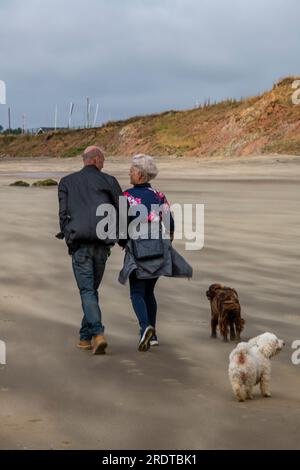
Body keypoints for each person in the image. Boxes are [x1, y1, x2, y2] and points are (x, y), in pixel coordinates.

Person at [119, 154, 193, 352]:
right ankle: (153, 336)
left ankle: (145, 328)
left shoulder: (126, 196)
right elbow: (170, 223)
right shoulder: (159, 195)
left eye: (132, 170)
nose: (129, 172)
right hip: (159, 248)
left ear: (141, 174)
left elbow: (120, 226)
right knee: (149, 291)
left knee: (136, 292)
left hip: (138, 248)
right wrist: (166, 242)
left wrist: (123, 243)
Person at [57, 145, 123, 355]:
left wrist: (68, 236)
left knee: (87, 291)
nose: (103, 164)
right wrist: (121, 238)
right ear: (95, 160)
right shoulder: (110, 181)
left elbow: (63, 214)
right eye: (102, 160)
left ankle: (97, 333)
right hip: (102, 244)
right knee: (91, 291)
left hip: (81, 243)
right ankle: (86, 338)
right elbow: (122, 210)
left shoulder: (67, 182)